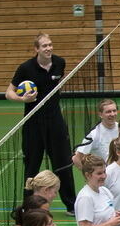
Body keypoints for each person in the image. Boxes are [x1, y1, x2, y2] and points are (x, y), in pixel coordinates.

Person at [6, 33, 77, 213]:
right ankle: (29, 205)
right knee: (32, 165)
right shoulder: (25, 68)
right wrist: (23, 99)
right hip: (33, 123)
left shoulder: (60, 63)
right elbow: (9, 93)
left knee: (63, 163)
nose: (48, 49)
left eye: (50, 45)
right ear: (36, 49)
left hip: (55, 121)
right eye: (44, 46)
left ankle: (71, 204)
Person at [72, 99, 119, 168]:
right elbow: (76, 159)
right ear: (100, 114)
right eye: (108, 112)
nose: (112, 114)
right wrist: (89, 176)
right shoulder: (93, 134)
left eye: (114, 111)